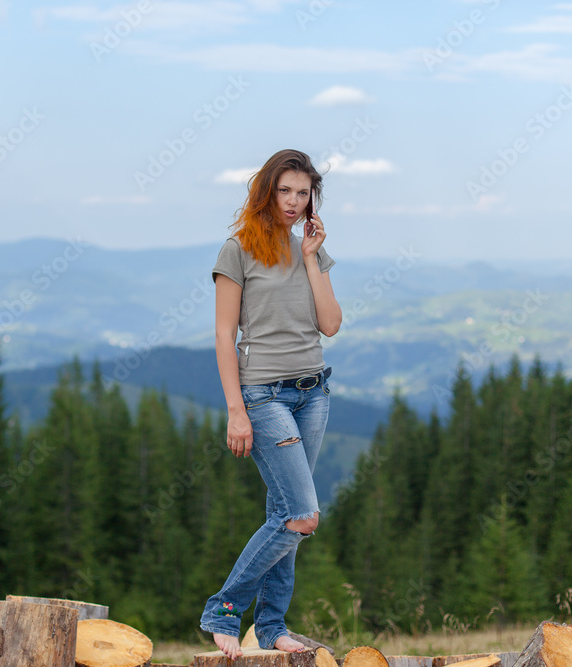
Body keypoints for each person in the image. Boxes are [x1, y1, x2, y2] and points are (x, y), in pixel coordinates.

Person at [199, 149, 341, 659]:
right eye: (286, 190)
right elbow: (222, 335)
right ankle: (224, 608)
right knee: (303, 516)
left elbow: (331, 323)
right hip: (263, 395)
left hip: (313, 393)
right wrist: (236, 409)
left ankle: (272, 626)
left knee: (284, 513)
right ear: (267, 191)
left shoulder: (310, 249)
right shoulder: (236, 250)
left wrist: (310, 257)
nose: (294, 201)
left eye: (304, 193)